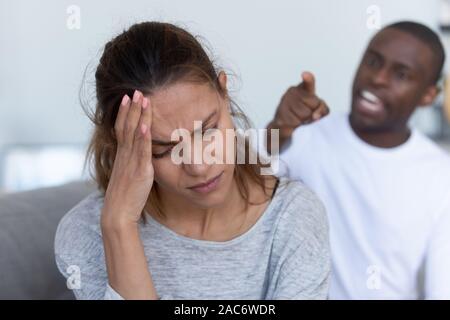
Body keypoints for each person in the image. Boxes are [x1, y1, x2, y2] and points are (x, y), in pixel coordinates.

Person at [54, 21, 330, 300]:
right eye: (163, 149)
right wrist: (119, 225)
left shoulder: (294, 217)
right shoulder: (86, 233)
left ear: (224, 93)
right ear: (122, 144)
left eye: (208, 130)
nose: (198, 166)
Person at [267, 21, 450, 299]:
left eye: (401, 74)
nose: (378, 78)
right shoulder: (303, 136)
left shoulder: (440, 176)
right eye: (373, 61)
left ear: (428, 95)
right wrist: (276, 128)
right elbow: (238, 180)